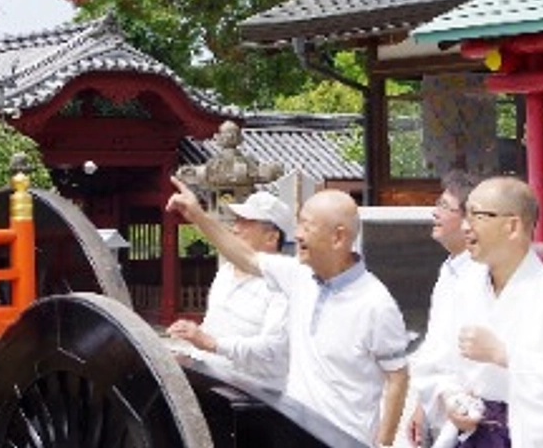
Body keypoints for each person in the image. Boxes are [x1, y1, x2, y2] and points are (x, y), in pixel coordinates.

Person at [167, 178, 410, 446]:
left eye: (307, 225)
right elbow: (246, 257)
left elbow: (397, 376)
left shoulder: (375, 302)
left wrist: (384, 442)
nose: (298, 235)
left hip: (343, 438)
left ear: (338, 237)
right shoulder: (299, 276)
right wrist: (198, 217)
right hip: (294, 429)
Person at [445, 175, 543, 447]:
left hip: (530, 436)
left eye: (477, 216)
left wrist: (502, 354)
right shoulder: (465, 287)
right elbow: (442, 362)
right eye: (465, 216)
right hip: (471, 434)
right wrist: (450, 398)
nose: (465, 227)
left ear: (512, 226)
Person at [166, 190, 291, 390]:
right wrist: (191, 338)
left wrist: (209, 343)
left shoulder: (283, 284)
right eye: (236, 221)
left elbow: (272, 351)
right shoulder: (225, 272)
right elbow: (212, 328)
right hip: (210, 378)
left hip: (254, 393)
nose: (235, 229)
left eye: (246, 223)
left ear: (271, 237)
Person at [407, 170, 479, 448]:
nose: (435, 213)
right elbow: (438, 344)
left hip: (464, 413)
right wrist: (422, 404)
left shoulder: (479, 275)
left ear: (467, 220)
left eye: (444, 207)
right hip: (441, 404)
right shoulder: (449, 268)